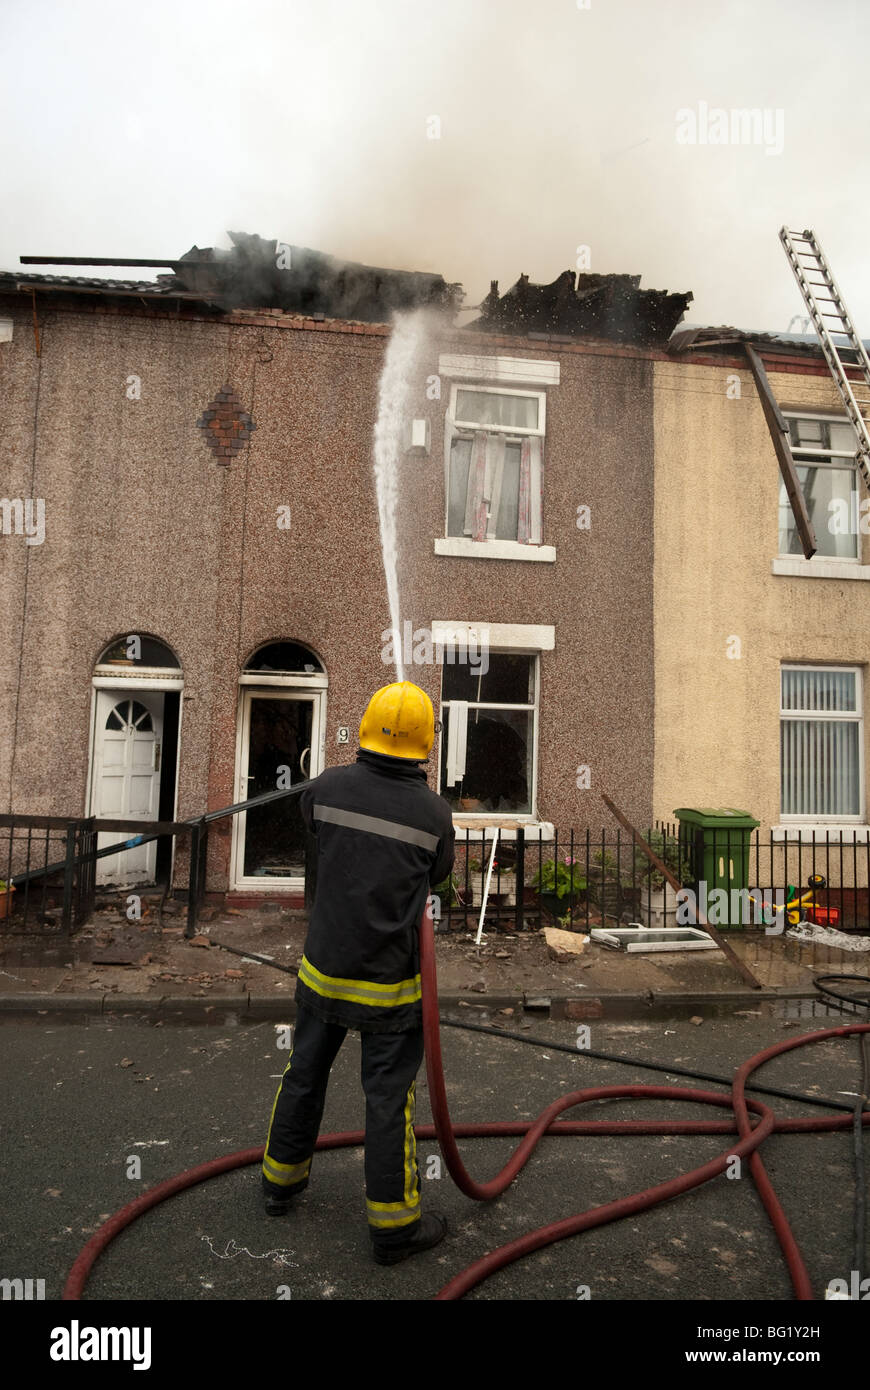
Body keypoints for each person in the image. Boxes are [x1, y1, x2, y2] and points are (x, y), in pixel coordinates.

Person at [261, 680, 455, 1265]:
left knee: (303, 1074)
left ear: (367, 725)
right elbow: (439, 878)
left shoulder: (324, 789)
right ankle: (393, 1228)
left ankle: (279, 1185)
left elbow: (319, 840)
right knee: (387, 1099)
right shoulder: (434, 814)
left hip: (323, 971)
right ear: (425, 743)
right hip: (388, 987)